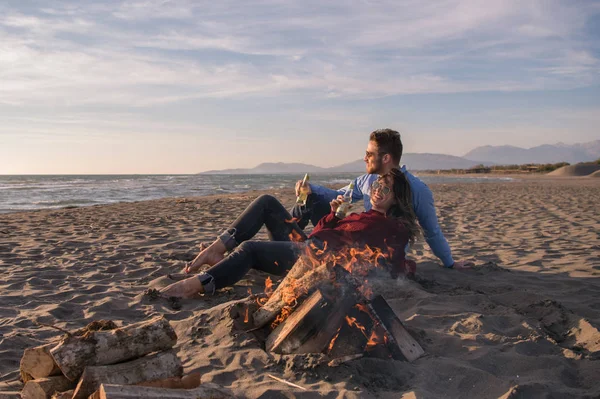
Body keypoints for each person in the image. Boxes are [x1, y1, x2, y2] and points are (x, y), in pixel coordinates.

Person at [161, 169, 419, 298]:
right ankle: (216, 250)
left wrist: (406, 268)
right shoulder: (360, 215)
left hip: (313, 261)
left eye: (386, 190)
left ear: (396, 200)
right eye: (377, 185)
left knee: (251, 249)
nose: (377, 191)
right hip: (307, 246)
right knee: (266, 201)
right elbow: (318, 232)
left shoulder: (393, 227)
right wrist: (334, 216)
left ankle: (195, 285)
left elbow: (392, 263)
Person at [292, 128, 470, 269]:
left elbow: (431, 231)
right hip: (357, 237)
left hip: (379, 253)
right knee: (311, 200)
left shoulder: (417, 189)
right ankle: (292, 243)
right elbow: (339, 195)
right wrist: (310, 189)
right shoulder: (367, 180)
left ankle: (295, 251)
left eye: (369, 154)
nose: (365, 158)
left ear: (385, 158)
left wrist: (450, 263)